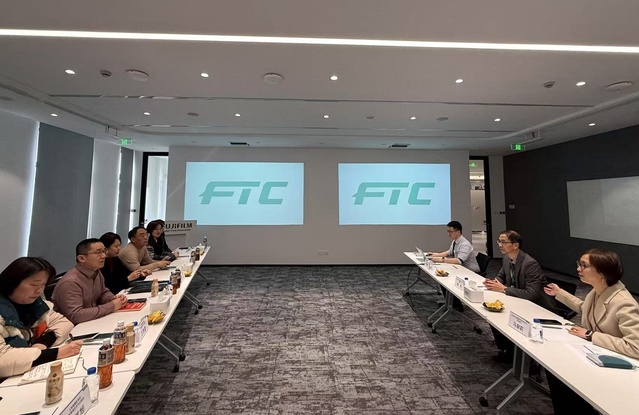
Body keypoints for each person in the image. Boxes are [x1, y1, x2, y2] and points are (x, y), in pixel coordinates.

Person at [543, 248, 639, 415]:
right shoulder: (597, 290)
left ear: (602, 273)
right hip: (595, 353)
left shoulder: (624, 303)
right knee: (556, 370)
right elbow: (585, 309)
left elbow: (635, 346)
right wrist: (560, 293)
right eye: (579, 264)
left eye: (584, 265)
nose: (578, 268)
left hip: (617, 365)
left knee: (564, 377)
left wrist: (590, 335)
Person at [0, 257, 82, 379]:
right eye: (34, 284)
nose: (39, 290)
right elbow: (3, 359)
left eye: (43, 284)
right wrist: (55, 354)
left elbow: (63, 322)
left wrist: (42, 343)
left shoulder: (35, 304)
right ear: (12, 282)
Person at [484, 230, 556, 362]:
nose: (500, 245)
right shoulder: (507, 258)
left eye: (503, 242)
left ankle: (522, 359)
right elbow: (501, 276)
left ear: (516, 245)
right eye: (499, 241)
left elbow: (531, 294)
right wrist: (493, 283)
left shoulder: (530, 263)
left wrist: (504, 289)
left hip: (537, 306)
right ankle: (508, 350)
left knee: (502, 315)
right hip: (518, 299)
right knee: (494, 315)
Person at [52, 239, 128, 325]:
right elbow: (75, 315)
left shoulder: (96, 271)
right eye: (98, 253)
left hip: (92, 321)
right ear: (81, 258)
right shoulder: (70, 282)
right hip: (75, 328)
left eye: (104, 251)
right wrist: (112, 306)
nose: (103, 256)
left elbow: (103, 292)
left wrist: (112, 298)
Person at [427, 221, 480, 312]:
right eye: (448, 231)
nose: (449, 234)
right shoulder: (455, 242)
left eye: (450, 232)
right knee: (442, 277)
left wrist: (442, 259)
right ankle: (450, 303)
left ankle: (456, 305)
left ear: (458, 232)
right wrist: (435, 255)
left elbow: (459, 261)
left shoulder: (465, 244)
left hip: (469, 270)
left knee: (446, 278)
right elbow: (449, 252)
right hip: (460, 268)